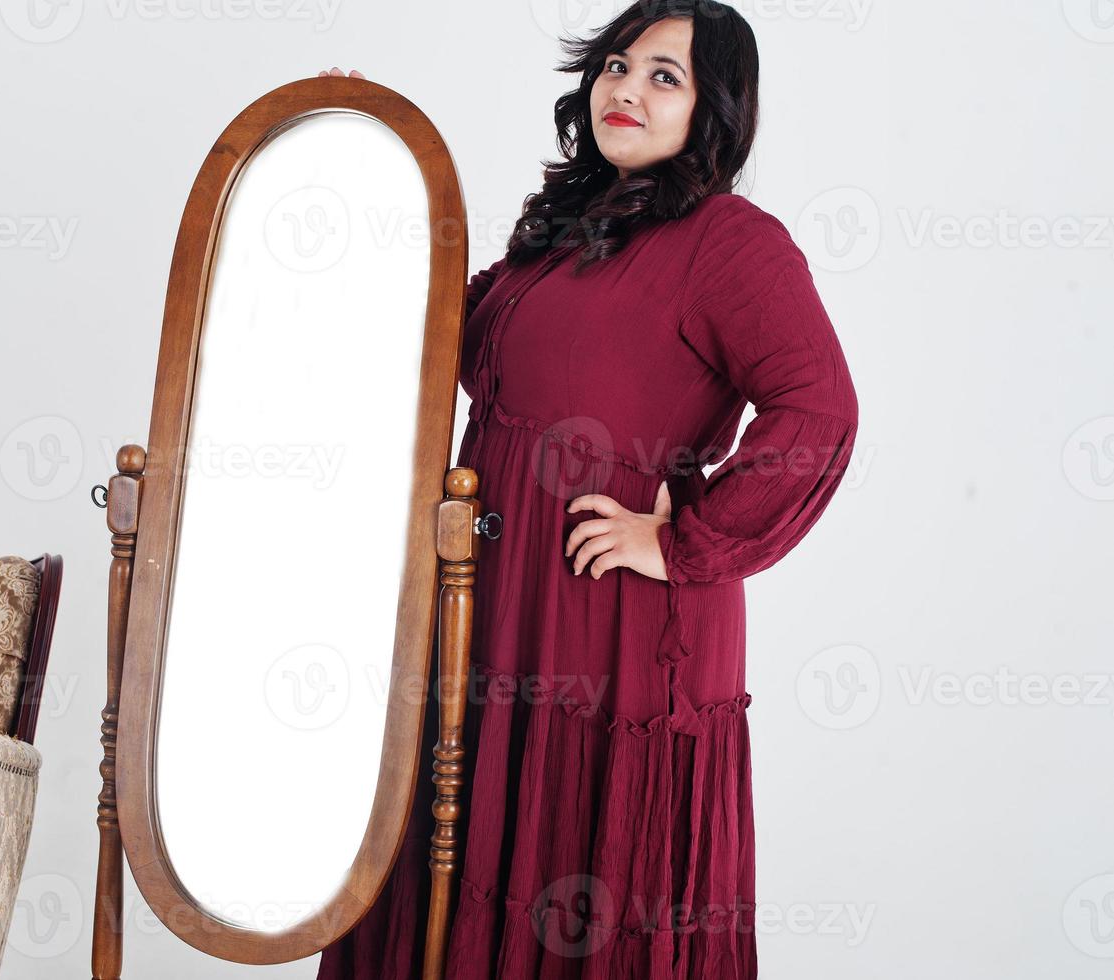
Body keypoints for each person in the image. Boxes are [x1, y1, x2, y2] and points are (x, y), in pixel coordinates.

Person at [317, 1, 858, 975]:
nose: (627, 88)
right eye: (617, 64)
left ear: (715, 109)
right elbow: (443, 336)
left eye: (665, 75)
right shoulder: (561, 235)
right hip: (496, 607)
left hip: (614, 629)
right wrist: (363, 164)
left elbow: (818, 411)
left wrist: (681, 539)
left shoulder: (732, 242)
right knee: (452, 859)